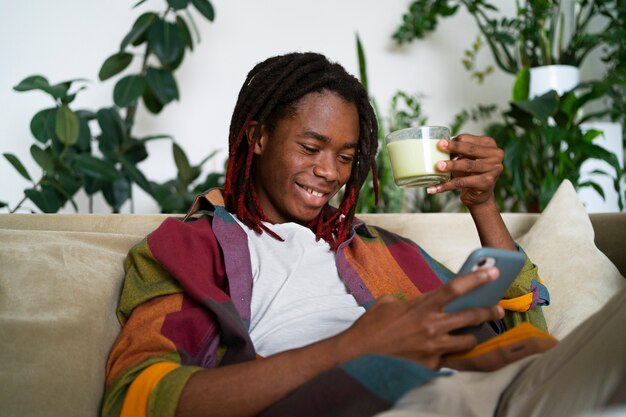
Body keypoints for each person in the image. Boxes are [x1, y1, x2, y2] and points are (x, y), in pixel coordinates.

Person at [102, 52, 625, 417]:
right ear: (257, 137)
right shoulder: (189, 247)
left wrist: (482, 204)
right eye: (311, 148)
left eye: (347, 158)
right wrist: (355, 347)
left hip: (486, 390)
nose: (329, 173)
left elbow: (520, 322)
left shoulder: (374, 246)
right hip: (391, 402)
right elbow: (139, 399)